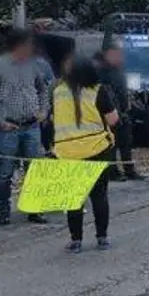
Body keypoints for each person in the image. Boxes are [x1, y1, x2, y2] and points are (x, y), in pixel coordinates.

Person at [0, 29, 51, 226]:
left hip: (31, 126)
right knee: (6, 172)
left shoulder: (33, 66)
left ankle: (34, 209)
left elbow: (42, 90)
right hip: (8, 128)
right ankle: (4, 211)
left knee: (34, 170)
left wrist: (43, 111)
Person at [51, 57, 119, 253]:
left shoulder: (58, 92)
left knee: (74, 198)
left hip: (67, 152)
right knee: (99, 195)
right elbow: (113, 120)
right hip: (97, 149)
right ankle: (102, 238)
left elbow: (53, 119)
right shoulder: (97, 90)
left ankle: (76, 241)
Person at [96, 39, 143, 181]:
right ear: (108, 54)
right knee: (112, 144)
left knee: (126, 143)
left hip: (123, 112)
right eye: (117, 54)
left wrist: (127, 106)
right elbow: (104, 94)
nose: (120, 57)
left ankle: (129, 170)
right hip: (110, 112)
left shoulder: (119, 69)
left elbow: (123, 90)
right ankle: (113, 172)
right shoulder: (101, 71)